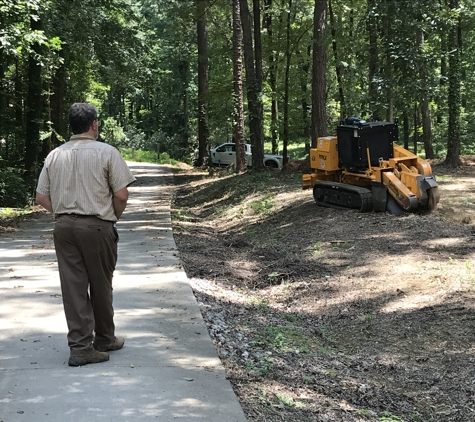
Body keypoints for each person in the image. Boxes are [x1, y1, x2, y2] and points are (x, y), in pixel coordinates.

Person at [36, 103, 136, 366]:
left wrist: (63, 213)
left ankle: (80, 348)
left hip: (64, 228)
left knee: (73, 287)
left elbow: (40, 196)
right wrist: (111, 216)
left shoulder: (54, 155)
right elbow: (122, 194)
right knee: (101, 284)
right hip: (97, 226)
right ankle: (104, 339)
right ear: (94, 124)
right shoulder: (107, 152)